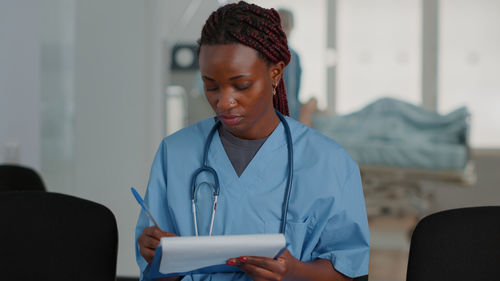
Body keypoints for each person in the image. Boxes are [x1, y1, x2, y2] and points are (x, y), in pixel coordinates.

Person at [135, 2, 369, 281]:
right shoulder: (174, 154)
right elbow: (158, 276)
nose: (224, 101)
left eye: (241, 85)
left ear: (275, 73)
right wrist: (159, 258)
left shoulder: (330, 163)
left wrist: (294, 272)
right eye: (211, 85)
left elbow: (350, 273)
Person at [277, 8, 302, 121]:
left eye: (286, 25)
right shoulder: (264, 55)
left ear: (292, 27)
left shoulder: (295, 57)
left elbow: (295, 94)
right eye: (280, 25)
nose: (283, 30)